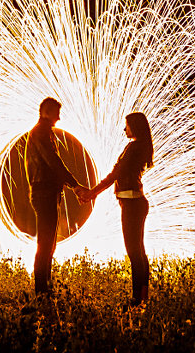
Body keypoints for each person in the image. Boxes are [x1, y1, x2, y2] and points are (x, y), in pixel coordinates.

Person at [81, 111, 153, 305]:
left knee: (134, 252)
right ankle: (143, 296)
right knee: (139, 251)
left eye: (127, 125)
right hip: (136, 202)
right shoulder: (141, 146)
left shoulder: (133, 147)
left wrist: (93, 192)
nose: (124, 129)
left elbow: (116, 173)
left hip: (131, 204)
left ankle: (137, 298)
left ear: (135, 127)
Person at [25, 96, 89, 295]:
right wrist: (74, 185)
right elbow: (53, 161)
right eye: (57, 113)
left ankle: (46, 286)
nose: (59, 118)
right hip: (44, 192)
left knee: (49, 242)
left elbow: (52, 162)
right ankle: (41, 290)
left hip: (47, 191)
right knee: (45, 242)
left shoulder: (43, 132)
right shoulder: (41, 132)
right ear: (47, 112)